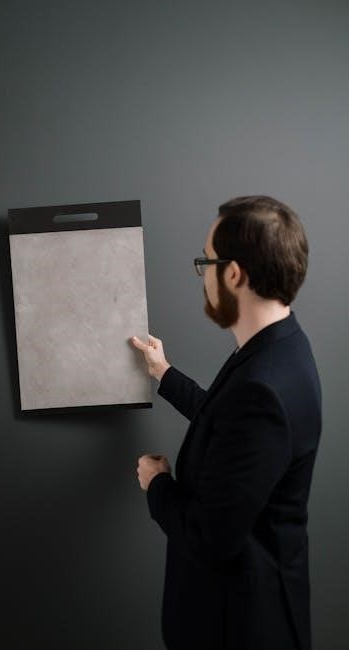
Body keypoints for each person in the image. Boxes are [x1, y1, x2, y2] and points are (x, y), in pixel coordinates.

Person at [131, 195, 322, 650]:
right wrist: (164, 373)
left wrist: (157, 483)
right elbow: (229, 426)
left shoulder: (263, 386)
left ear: (233, 273)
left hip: (240, 628)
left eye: (206, 262)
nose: (204, 276)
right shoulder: (280, 347)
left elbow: (207, 539)